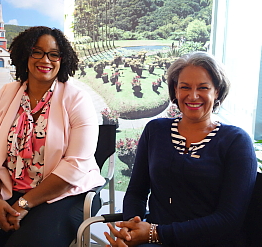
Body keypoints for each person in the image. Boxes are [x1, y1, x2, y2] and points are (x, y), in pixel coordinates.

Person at [0, 26, 105, 247]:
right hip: (9, 187)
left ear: (62, 59)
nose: (45, 59)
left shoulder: (77, 100)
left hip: (64, 193)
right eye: (36, 52)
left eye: (53, 54)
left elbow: (76, 166)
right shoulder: (5, 95)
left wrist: (23, 204)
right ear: (25, 54)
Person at [104, 52, 257, 246]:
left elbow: (229, 220)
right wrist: (129, 230)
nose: (193, 96)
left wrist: (154, 233)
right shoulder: (155, 130)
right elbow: (136, 192)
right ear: (175, 90)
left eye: (203, 88)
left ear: (217, 91)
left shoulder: (236, 141)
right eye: (185, 87)